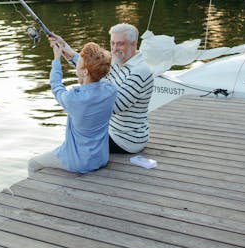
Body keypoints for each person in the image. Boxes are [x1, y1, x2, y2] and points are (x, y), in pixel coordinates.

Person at [55, 23, 153, 154]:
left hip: (126, 140)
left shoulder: (140, 72)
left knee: (75, 141)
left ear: (134, 44)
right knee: (75, 136)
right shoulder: (118, 62)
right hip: (110, 131)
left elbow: (111, 106)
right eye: (112, 43)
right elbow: (93, 69)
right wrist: (65, 48)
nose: (114, 48)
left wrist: (75, 101)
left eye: (120, 44)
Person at [27, 39, 116, 176]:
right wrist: (69, 53)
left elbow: (56, 86)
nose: (77, 66)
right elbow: (96, 74)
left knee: (33, 163)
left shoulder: (74, 99)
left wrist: (56, 58)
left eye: (79, 63)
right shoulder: (110, 90)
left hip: (78, 161)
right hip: (101, 158)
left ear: (85, 71)